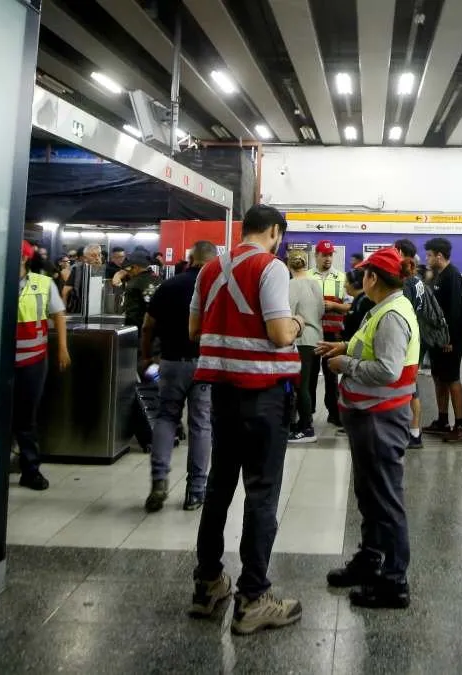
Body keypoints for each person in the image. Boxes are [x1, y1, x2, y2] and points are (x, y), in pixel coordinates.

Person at [187, 205, 304, 634]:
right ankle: (254, 598)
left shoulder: (209, 269)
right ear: (274, 231)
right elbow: (278, 334)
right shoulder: (270, 268)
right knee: (261, 493)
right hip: (263, 397)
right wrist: (297, 321)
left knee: (219, 487)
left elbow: (193, 330)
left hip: (222, 395)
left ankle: (208, 584)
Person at [317, 246, 416, 609]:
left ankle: (394, 581)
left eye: (364, 274)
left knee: (386, 499)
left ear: (373, 278)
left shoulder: (390, 315)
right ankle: (371, 559)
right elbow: (376, 349)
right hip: (370, 416)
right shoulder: (385, 310)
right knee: (371, 494)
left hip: (380, 418)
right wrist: (344, 345)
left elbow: (388, 370)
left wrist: (345, 364)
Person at [140, 241, 216, 512]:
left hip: (170, 363)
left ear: (191, 258)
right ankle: (196, 491)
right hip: (205, 364)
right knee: (201, 424)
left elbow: (148, 327)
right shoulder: (216, 288)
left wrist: (146, 357)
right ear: (214, 261)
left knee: (166, 417)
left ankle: (159, 481)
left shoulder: (169, 286)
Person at [13, 241, 71, 491]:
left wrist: (62, 348)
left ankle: (30, 469)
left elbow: (58, 314)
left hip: (32, 359)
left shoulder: (43, 283)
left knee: (26, 418)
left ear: (25, 258)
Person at [421, 238, 462, 442]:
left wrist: (449, 339)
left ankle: (460, 425)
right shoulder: (438, 276)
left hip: (449, 340)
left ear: (439, 256)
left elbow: (456, 311)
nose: (427, 258)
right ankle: (442, 421)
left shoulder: (452, 276)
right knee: (438, 378)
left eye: (429, 255)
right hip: (436, 339)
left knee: (452, 379)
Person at [287, 250, 324, 443]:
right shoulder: (315, 283)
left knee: (300, 386)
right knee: (308, 385)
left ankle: (306, 427)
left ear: (289, 265)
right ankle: (305, 422)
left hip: (301, 340)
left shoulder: (292, 285)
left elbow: (288, 313)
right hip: (316, 338)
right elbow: (322, 310)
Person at [313, 240, 350, 428]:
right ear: (316, 255)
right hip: (312, 333)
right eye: (324, 255)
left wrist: (335, 306)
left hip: (334, 335)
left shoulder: (341, 278)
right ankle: (307, 413)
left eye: (330, 255)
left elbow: (349, 306)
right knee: (310, 374)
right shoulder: (308, 277)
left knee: (331, 374)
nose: (327, 258)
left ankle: (334, 412)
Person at [394, 239, 426, 448]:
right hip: (417, 338)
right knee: (411, 386)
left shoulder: (406, 282)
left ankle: (414, 432)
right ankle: (411, 429)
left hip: (408, 339)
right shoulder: (417, 280)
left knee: (409, 387)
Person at [119, 251, 160, 337]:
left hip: (139, 330)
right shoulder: (158, 279)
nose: (128, 273)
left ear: (136, 267)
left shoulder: (134, 283)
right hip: (156, 329)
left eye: (128, 269)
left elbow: (133, 313)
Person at [62, 244, 103, 312]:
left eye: (99, 255)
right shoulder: (78, 270)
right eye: (93, 255)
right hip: (79, 310)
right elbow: (65, 291)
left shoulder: (104, 270)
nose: (97, 258)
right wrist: (63, 312)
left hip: (99, 311)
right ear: (85, 258)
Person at [342, 269, 373, 339]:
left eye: (346, 282)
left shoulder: (365, 302)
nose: (344, 285)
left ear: (354, 284)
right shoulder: (357, 300)